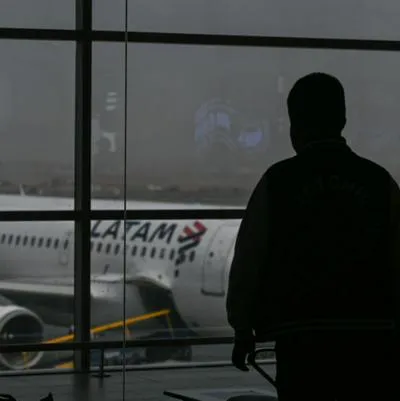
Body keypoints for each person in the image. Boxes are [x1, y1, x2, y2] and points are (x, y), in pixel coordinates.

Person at [226, 72, 399, 401]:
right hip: (372, 338)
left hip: (301, 340)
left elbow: (249, 259)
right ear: (343, 120)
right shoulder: (380, 183)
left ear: (294, 125)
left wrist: (242, 328)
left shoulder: (277, 182)